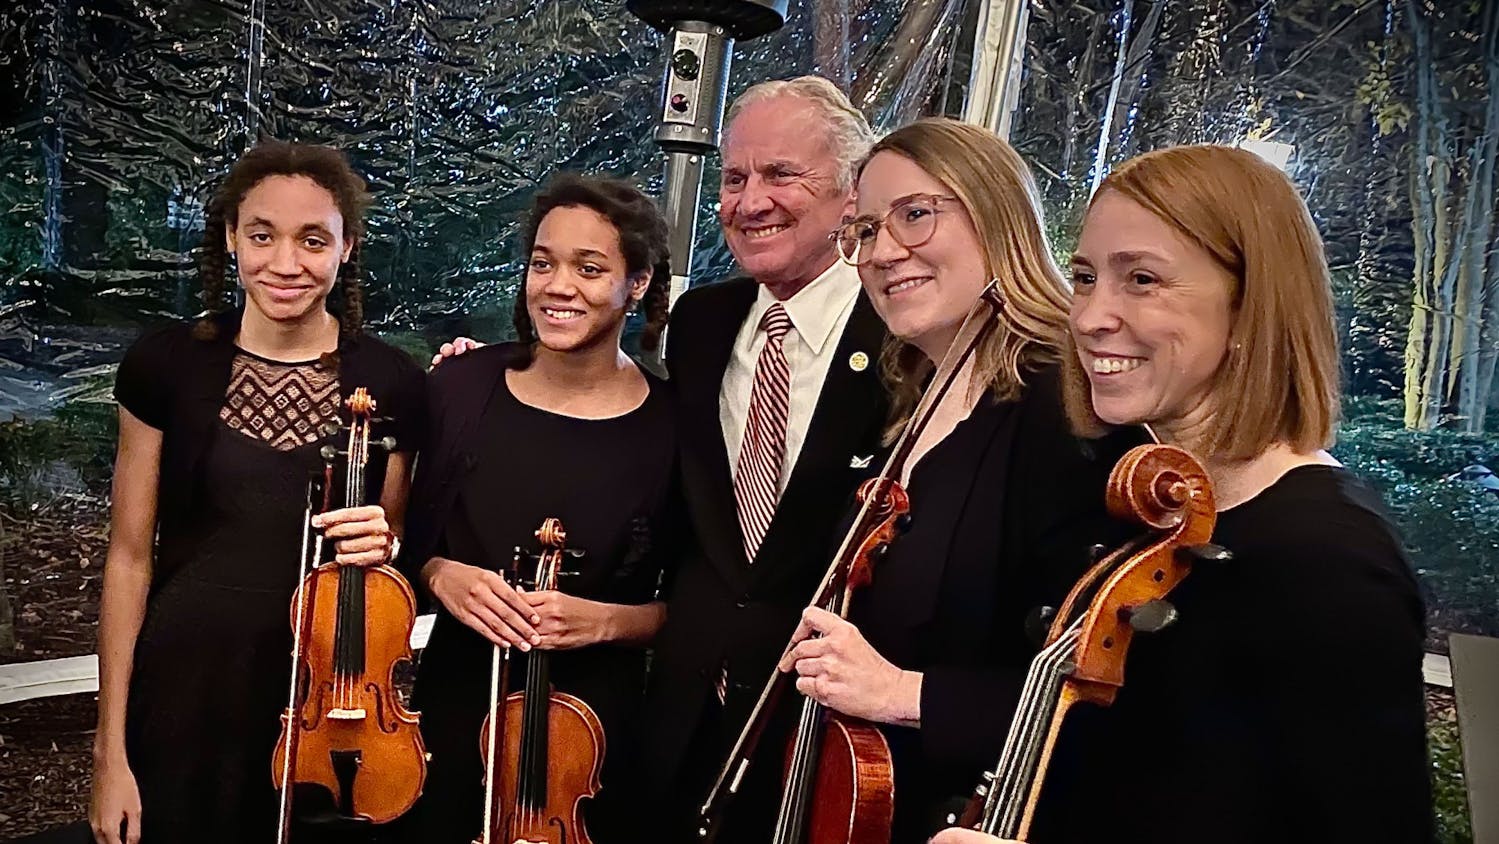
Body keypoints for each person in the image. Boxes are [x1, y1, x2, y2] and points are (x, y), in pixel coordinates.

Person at [430, 76, 890, 841]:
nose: (750, 200)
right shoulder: (708, 324)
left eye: (781, 175)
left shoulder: (899, 334)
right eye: (735, 178)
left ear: (851, 195)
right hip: (675, 724)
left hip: (815, 719)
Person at [933, 144, 1431, 843]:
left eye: (1142, 279)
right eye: (1084, 277)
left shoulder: (1327, 563)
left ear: (1249, 306)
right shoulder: (1154, 513)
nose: (1089, 317)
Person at [774, 118, 1141, 843]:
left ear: (994, 213)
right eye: (867, 230)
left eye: (915, 214)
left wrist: (898, 692)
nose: (884, 251)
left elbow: (1115, 700)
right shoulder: (907, 405)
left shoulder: (1067, 407)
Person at [89, 141, 426, 844]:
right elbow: (128, 559)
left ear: (346, 247)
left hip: (323, 708)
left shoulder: (393, 381)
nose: (284, 263)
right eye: (262, 235)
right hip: (182, 688)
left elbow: (391, 557)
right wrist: (108, 751)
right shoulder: (164, 365)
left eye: (312, 240)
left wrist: (386, 544)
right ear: (231, 238)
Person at [392, 174, 678, 843]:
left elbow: (692, 609)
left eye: (589, 267)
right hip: (454, 709)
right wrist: (439, 574)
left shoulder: (676, 426)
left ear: (636, 283)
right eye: (543, 263)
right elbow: (395, 539)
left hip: (593, 740)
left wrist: (606, 622)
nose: (558, 286)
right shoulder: (460, 388)